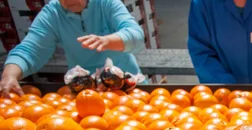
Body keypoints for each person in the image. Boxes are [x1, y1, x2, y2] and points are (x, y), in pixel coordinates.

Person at [0, 0, 145, 97]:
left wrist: (107, 40)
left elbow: (136, 36)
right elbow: (31, 50)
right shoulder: (53, 14)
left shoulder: (107, 3)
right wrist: (10, 75)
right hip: (84, 92)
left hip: (126, 87)